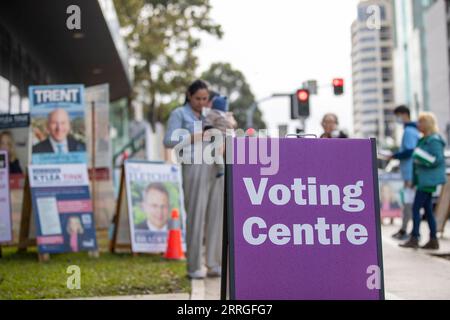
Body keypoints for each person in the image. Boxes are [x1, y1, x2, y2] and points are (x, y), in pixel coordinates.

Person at [163, 79, 222, 279]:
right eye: (198, 98)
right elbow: (168, 139)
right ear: (189, 95)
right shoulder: (179, 114)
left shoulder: (208, 113)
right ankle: (194, 265)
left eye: (205, 98)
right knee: (196, 215)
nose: (201, 102)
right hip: (193, 164)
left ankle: (214, 263)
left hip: (214, 164)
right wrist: (192, 136)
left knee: (216, 215)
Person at [400, 112, 447, 250]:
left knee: (416, 208)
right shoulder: (424, 139)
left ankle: (415, 237)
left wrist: (421, 158)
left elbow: (437, 159)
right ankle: (433, 239)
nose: (418, 125)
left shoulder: (434, 140)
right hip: (423, 180)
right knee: (427, 211)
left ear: (427, 124)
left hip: (429, 181)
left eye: (421, 122)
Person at [390, 105, 420, 240]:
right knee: (411, 204)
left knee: (409, 204)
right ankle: (406, 230)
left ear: (403, 114)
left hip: (410, 174)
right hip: (410, 172)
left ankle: (408, 231)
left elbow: (409, 151)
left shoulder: (409, 131)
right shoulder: (413, 130)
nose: (397, 119)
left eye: (398, 116)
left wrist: (395, 156)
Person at [203, 95, 238, 177]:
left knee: (216, 152)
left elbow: (207, 123)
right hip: (229, 136)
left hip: (221, 135)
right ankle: (226, 169)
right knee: (224, 154)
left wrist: (208, 128)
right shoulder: (226, 115)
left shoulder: (212, 113)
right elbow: (234, 125)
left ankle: (222, 168)